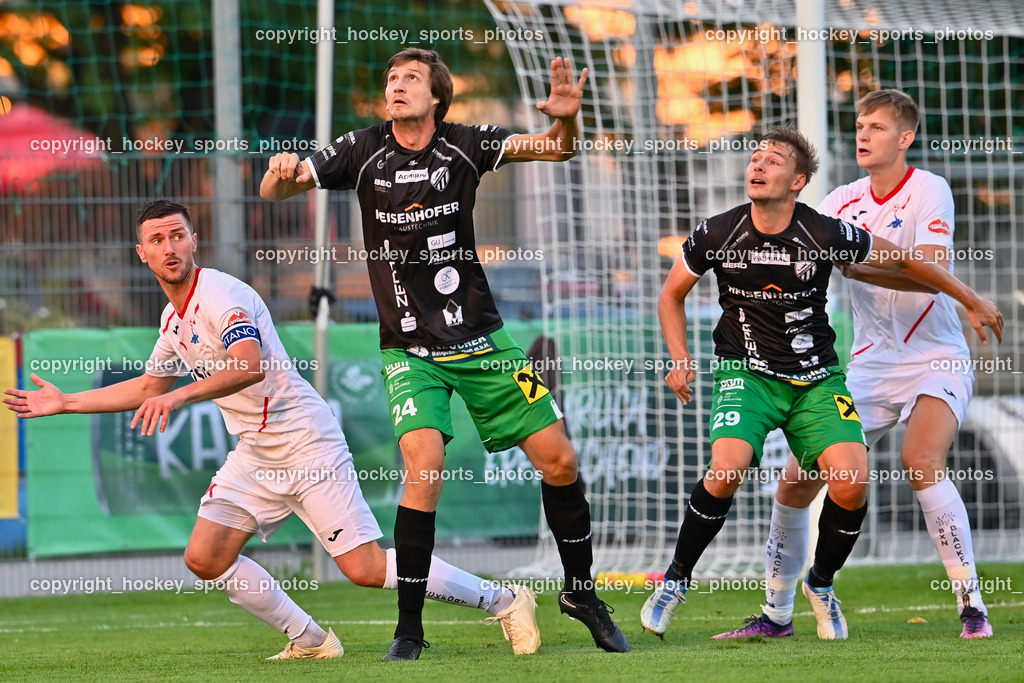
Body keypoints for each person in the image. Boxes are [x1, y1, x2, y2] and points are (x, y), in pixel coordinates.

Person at [3, 199, 540, 660]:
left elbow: (247, 364)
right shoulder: (174, 320)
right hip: (255, 453)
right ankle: (309, 639)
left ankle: (504, 601)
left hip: (305, 442)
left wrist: (181, 395)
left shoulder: (220, 296)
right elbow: (147, 386)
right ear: (140, 255)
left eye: (177, 235)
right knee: (205, 558)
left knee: (365, 568)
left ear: (196, 241)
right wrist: (66, 401)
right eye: (155, 240)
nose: (169, 247)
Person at [260, 48, 629, 659]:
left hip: (485, 342)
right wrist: (278, 172)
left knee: (560, 461)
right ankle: (409, 630)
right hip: (409, 349)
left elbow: (556, 148)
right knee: (423, 469)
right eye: (390, 78)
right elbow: (279, 188)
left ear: (437, 97)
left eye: (410, 79)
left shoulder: (466, 143)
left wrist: (566, 121)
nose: (396, 87)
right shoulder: (361, 149)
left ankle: (582, 595)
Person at [639, 126, 1003, 640]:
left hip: (817, 379)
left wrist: (968, 297)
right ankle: (675, 582)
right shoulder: (717, 231)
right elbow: (670, 294)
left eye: (774, 160)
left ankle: (822, 586)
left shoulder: (824, 232)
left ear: (799, 180)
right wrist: (679, 358)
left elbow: (900, 258)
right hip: (747, 373)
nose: (759, 166)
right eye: (755, 158)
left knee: (852, 483)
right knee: (728, 467)